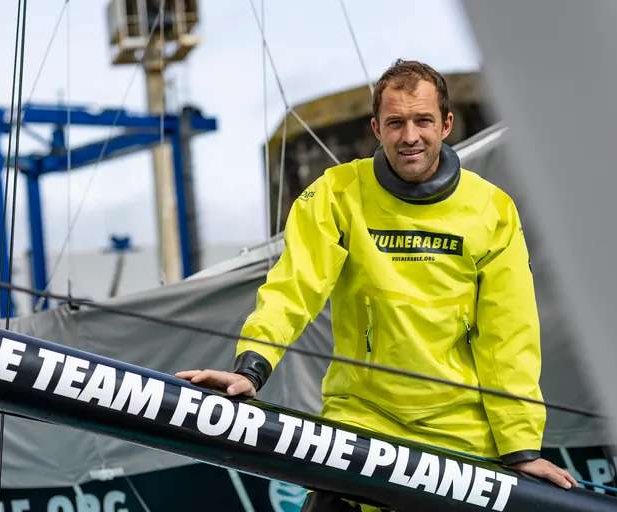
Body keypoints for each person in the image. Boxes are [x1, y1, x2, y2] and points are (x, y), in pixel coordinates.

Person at [176, 59, 577, 510]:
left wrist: (521, 449)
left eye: (423, 120)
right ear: (376, 128)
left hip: (461, 445)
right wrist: (252, 367)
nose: (410, 136)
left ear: (446, 124)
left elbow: (509, 336)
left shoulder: (492, 210)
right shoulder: (336, 193)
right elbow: (293, 287)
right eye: (396, 122)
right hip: (360, 431)